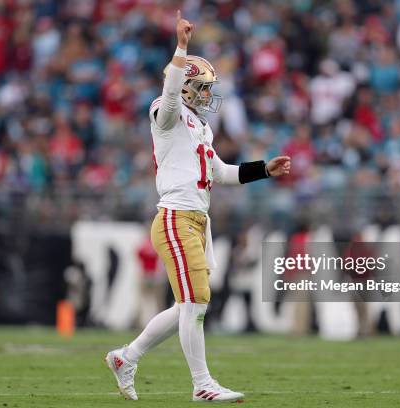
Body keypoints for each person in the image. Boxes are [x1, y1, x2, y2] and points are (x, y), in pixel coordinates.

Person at [105, 11, 291, 403]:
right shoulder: (165, 112)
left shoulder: (198, 125)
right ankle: (202, 384)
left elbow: (220, 172)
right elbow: (170, 94)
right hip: (175, 217)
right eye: (202, 88)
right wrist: (182, 47)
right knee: (194, 303)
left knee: (189, 304)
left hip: (196, 221)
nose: (207, 95)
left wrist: (263, 170)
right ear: (186, 85)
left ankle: (127, 357)